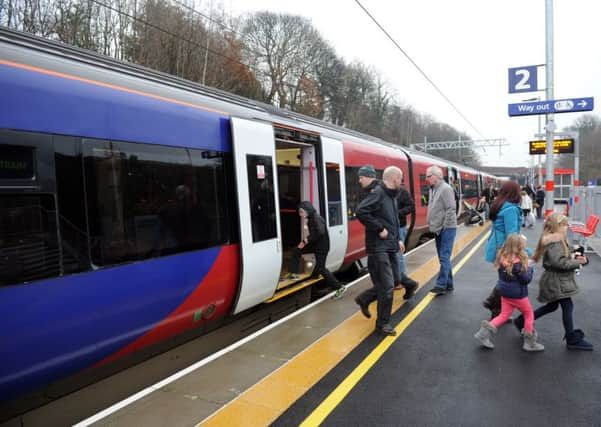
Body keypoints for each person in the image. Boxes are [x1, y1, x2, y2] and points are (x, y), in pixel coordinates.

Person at [513, 213, 593, 350]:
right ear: (559, 226)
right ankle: (571, 338)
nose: (567, 227)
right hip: (557, 281)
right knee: (567, 305)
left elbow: (559, 259)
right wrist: (577, 262)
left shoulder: (553, 239)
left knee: (552, 306)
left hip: (555, 280)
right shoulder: (555, 242)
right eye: (565, 225)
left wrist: (574, 257)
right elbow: (559, 263)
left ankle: (521, 320)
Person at [354, 166, 407, 336]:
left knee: (396, 280)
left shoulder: (391, 195)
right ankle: (382, 324)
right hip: (378, 248)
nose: (402, 182)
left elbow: (392, 219)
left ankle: (365, 298)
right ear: (395, 179)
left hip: (390, 245)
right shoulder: (378, 193)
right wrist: (379, 229)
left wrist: (398, 238)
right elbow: (361, 211)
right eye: (401, 179)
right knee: (387, 287)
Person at [474, 234, 543, 351]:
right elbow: (526, 279)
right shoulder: (518, 264)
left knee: (504, 315)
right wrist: (530, 268)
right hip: (518, 296)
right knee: (529, 314)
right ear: (519, 248)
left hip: (505, 293)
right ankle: (529, 343)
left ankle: (483, 334)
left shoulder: (503, 258)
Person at [286, 201, 347, 299]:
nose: (300, 214)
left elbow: (320, 232)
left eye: (301, 212)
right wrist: (306, 241)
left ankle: (339, 287)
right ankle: (295, 273)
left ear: (307, 210)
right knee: (296, 250)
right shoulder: (311, 218)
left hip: (322, 248)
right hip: (316, 245)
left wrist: (306, 240)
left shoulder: (316, 219)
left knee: (321, 268)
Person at [482, 181, 523, 318]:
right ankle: (493, 302)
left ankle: (498, 312)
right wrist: (519, 252)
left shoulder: (499, 205)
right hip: (505, 248)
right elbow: (511, 234)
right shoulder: (511, 209)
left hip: (497, 244)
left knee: (504, 277)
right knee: (507, 279)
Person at [425, 165, 457, 295]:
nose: (426, 179)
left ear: (436, 176)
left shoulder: (446, 189)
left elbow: (451, 209)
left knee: (444, 256)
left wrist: (444, 226)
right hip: (438, 228)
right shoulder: (433, 189)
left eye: (428, 176)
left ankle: (441, 284)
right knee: (443, 257)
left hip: (446, 229)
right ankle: (449, 283)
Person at [396, 169, 419, 296]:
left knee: (399, 255)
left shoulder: (403, 192)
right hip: (390, 227)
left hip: (400, 226)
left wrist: (398, 213)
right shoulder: (386, 192)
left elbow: (411, 207)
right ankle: (397, 279)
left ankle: (401, 281)